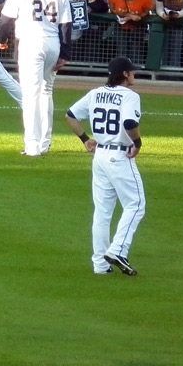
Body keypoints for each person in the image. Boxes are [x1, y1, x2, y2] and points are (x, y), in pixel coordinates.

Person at [65, 56, 145, 276]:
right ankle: (118, 250)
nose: (134, 74)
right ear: (125, 74)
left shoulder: (95, 93)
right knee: (136, 204)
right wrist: (137, 142)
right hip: (120, 156)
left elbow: (70, 116)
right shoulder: (130, 96)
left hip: (99, 156)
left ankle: (100, 265)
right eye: (132, 71)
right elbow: (129, 123)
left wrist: (85, 139)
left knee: (102, 212)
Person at [0, 0, 72, 157]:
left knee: (30, 95)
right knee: (46, 91)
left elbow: (6, 20)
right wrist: (64, 54)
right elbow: (66, 25)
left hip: (30, 43)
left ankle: (32, 146)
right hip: (53, 43)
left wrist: (2, 40)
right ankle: (45, 143)